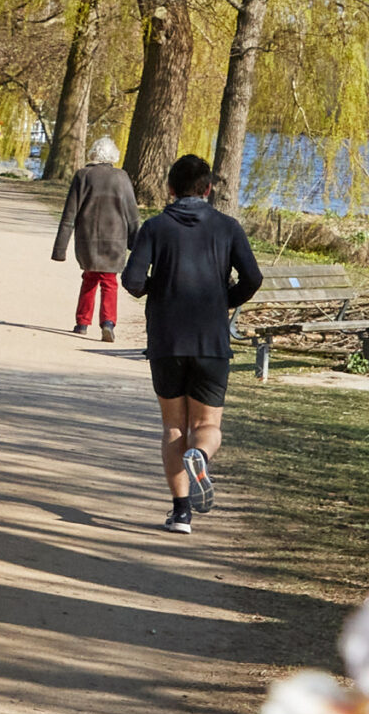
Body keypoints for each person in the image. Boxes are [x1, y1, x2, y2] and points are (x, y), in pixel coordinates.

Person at [121, 153, 262, 535]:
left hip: (166, 339)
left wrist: (160, 290)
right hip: (210, 340)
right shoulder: (228, 227)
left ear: (170, 188)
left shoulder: (154, 227)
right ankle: (200, 455)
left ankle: (181, 512)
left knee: (173, 428)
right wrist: (225, 299)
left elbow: (132, 280)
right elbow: (252, 276)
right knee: (206, 423)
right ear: (208, 188)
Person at [52, 137, 139, 341]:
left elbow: (69, 214)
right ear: (113, 156)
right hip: (115, 240)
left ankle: (82, 323)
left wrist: (60, 249)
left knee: (89, 278)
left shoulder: (83, 175)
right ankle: (108, 323)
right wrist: (137, 244)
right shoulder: (122, 177)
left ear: (93, 153)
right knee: (109, 281)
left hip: (87, 239)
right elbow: (132, 213)